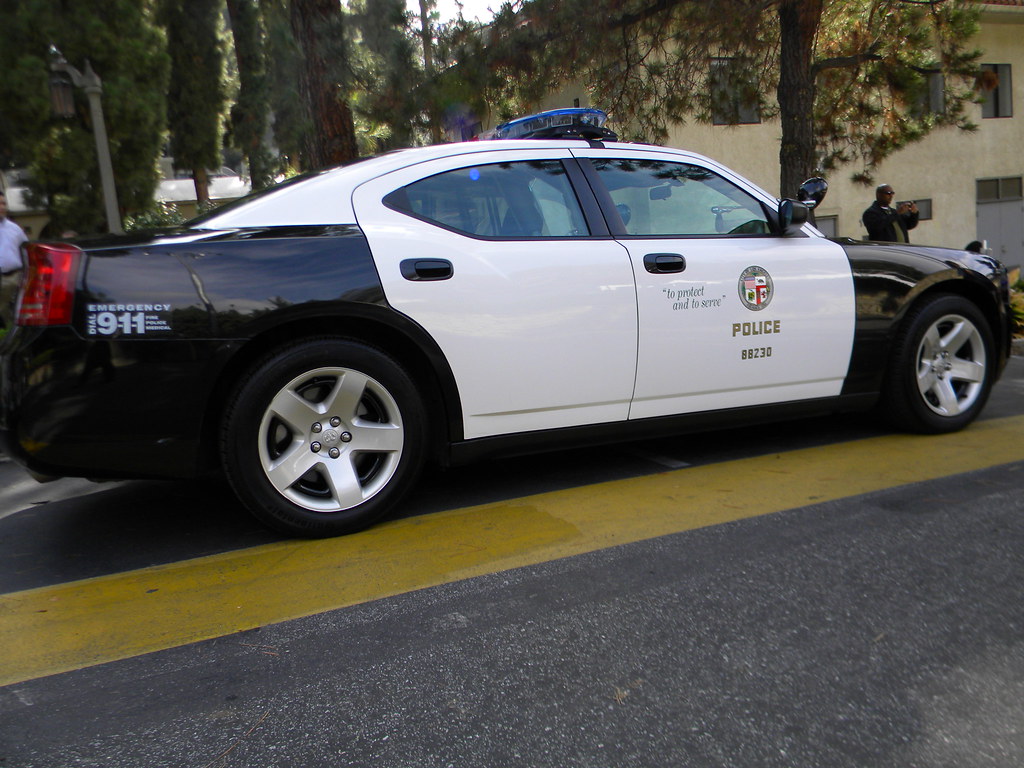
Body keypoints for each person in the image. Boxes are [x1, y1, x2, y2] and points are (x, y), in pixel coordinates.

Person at [0, 190, 28, 329]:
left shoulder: (15, 229)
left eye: (4, 203)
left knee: (14, 316)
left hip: (13, 278)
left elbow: (26, 251)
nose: (2, 207)